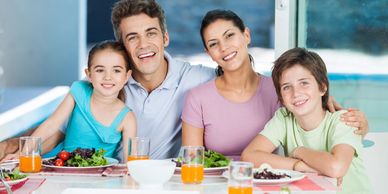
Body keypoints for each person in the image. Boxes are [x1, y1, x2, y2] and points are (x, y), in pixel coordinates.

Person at [0, 0, 368, 161]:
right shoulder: (108, 82)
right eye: (132, 38)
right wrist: (22, 143)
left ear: (166, 38)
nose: (143, 45)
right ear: (123, 48)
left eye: (150, 34)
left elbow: (237, 79)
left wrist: (326, 103)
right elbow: (70, 123)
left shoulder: (197, 80)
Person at [181, 9, 370, 160]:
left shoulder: (283, 90)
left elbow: (325, 130)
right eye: (214, 44)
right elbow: (192, 161)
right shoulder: (198, 98)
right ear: (208, 52)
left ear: (246, 35)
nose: (224, 47)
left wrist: (360, 125)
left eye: (229, 35)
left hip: (272, 181)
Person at [241, 48, 373, 194]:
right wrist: (298, 165)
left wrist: (299, 151)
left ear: (322, 87)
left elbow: (336, 167)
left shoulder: (343, 120)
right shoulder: (284, 118)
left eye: (304, 83)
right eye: (286, 87)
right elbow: (249, 156)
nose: (295, 93)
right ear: (281, 97)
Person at [2, 40, 137, 161]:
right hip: (65, 169)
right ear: (89, 75)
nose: (108, 77)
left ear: (127, 76)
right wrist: (23, 153)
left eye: (116, 71)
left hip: (101, 179)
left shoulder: (127, 117)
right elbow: (51, 124)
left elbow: (130, 162)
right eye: (100, 70)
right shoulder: (79, 91)